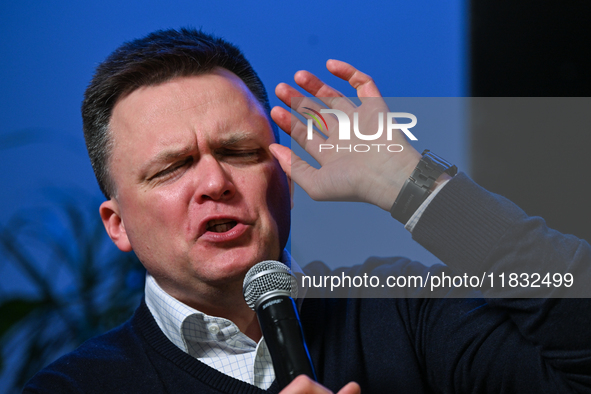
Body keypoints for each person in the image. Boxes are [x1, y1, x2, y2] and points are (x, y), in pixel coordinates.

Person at [23, 28, 591, 393]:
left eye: (240, 152)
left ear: (284, 180)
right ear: (116, 225)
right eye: (172, 168)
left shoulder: (400, 310)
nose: (215, 182)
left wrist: (413, 187)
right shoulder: (75, 387)